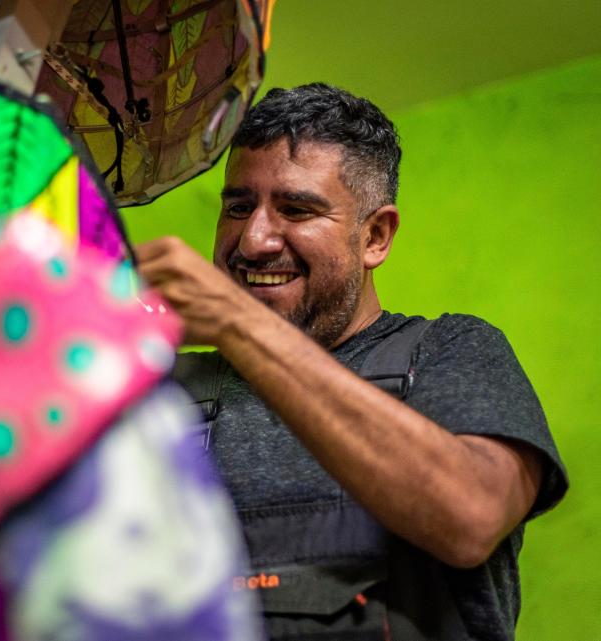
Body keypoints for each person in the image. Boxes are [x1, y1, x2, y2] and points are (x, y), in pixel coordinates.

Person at [134, 83, 567, 640]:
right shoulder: (163, 385)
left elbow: (472, 517)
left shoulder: (447, 351)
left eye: (295, 209)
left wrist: (234, 322)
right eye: (238, 208)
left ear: (376, 236)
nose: (253, 240)